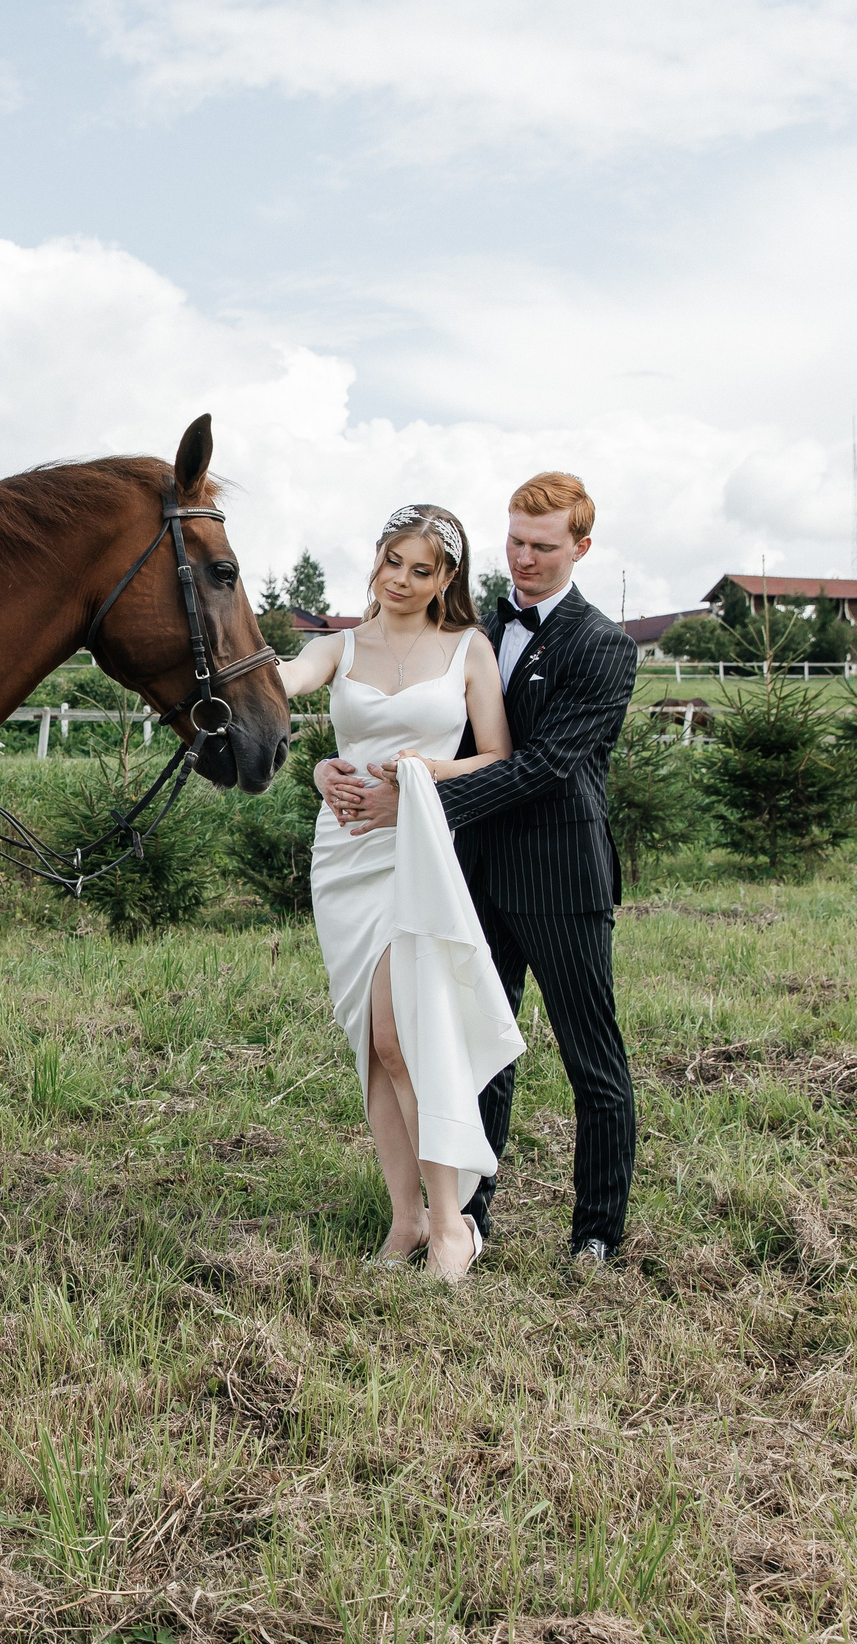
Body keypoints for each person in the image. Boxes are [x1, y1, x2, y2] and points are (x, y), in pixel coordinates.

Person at [322, 473, 639, 1266]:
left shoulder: (604, 647)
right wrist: (337, 769)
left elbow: (544, 768)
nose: (524, 559)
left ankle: (595, 1231)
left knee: (589, 1058)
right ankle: (468, 1217)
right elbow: (416, 720)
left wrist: (415, 800)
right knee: (464, 1048)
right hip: (469, 876)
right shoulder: (476, 633)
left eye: (543, 546)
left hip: (561, 876)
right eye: (515, 542)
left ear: (581, 549)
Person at [277, 504, 525, 1282]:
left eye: (423, 570)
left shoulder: (467, 650)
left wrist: (423, 771)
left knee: (403, 1034)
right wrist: (318, 768)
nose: (404, 581)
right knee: (374, 1048)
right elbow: (281, 686)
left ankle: (453, 1225)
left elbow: (496, 757)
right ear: (376, 561)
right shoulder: (339, 646)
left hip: (418, 848)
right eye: (394, 563)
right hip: (344, 850)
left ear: (447, 577)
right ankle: (405, 1218)